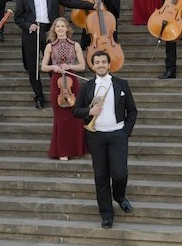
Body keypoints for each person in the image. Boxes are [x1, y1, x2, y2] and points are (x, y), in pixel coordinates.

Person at [15, 0, 95, 109]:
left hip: (50, 32)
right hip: (32, 33)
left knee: (55, 65)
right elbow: (18, 18)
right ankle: (38, 97)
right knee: (34, 67)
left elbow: (70, 1)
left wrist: (93, 5)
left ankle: (58, 93)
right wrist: (28, 25)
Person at [73, 51, 137, 229]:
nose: (100, 65)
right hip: (96, 136)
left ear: (109, 65)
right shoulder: (86, 86)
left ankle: (120, 196)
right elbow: (75, 110)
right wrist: (89, 112)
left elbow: (132, 111)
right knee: (101, 176)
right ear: (93, 65)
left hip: (118, 135)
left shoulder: (121, 84)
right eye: (97, 62)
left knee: (120, 173)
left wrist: (125, 132)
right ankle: (107, 214)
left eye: (103, 62)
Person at [40, 17, 87, 160]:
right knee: (61, 118)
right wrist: (53, 67)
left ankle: (77, 149)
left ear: (67, 28)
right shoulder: (50, 46)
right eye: (57, 26)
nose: (60, 28)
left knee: (75, 116)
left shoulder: (75, 45)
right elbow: (43, 67)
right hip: (57, 82)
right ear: (54, 29)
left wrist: (69, 67)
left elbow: (82, 66)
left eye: (62, 26)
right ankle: (63, 151)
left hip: (72, 81)